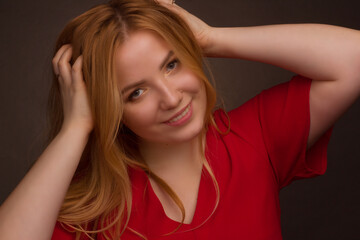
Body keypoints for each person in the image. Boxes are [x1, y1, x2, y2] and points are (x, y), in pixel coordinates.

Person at [0, 0, 359, 239]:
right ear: (109, 109)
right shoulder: (94, 206)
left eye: (172, 65)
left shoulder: (255, 136)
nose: (171, 99)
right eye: (135, 92)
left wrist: (211, 38)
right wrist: (76, 128)